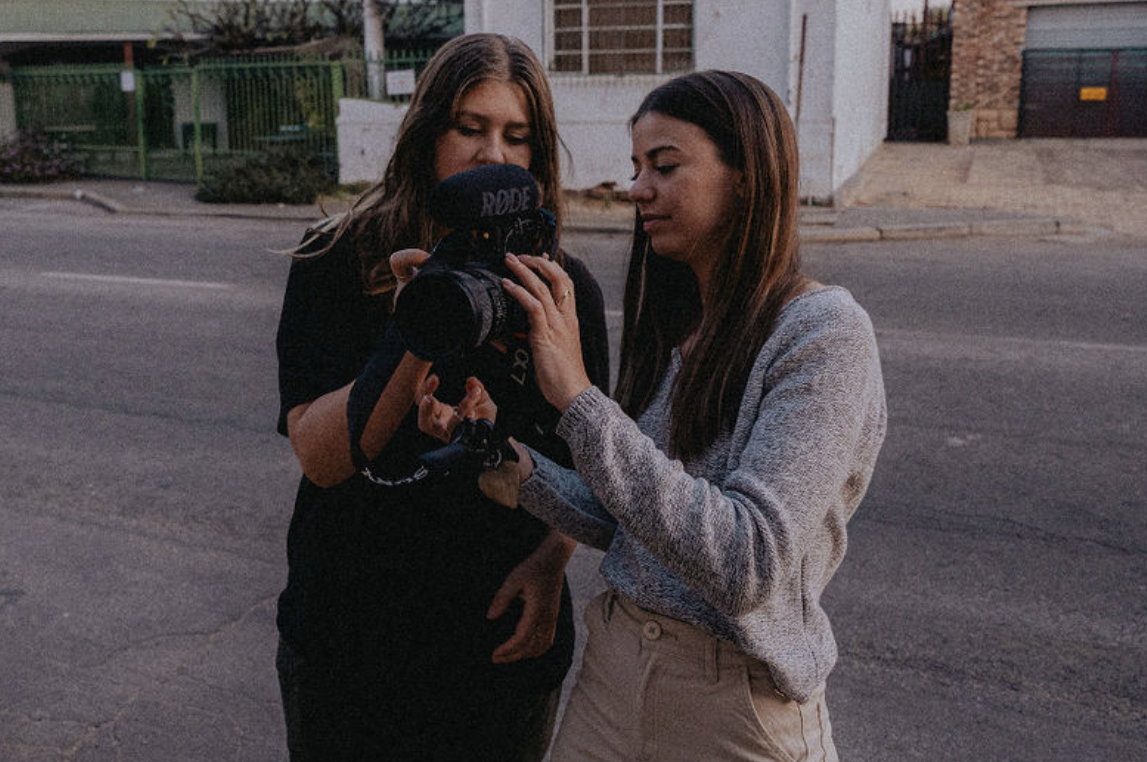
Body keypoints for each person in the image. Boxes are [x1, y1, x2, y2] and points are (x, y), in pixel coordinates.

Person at [423, 70, 887, 760]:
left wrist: (578, 398)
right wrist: (503, 456)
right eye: (637, 167)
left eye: (665, 166)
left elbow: (745, 563)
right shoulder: (682, 327)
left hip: (732, 707)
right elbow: (636, 523)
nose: (638, 188)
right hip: (614, 676)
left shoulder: (822, 332)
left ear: (746, 177)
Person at [273, 33, 609, 761]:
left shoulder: (560, 287)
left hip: (498, 646)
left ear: (537, 158)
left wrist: (553, 562)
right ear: (428, 133)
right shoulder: (335, 258)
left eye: (516, 137)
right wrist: (420, 323)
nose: (493, 153)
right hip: (349, 641)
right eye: (471, 127)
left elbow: (596, 463)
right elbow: (322, 458)